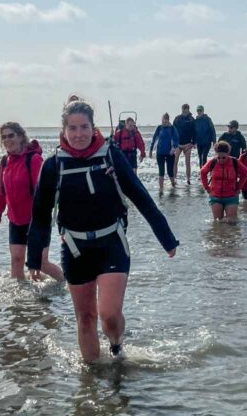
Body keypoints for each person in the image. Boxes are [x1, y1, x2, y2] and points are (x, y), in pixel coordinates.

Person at [27, 99, 179, 362]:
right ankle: (91, 379)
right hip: (75, 249)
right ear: (63, 130)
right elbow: (40, 215)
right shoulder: (54, 165)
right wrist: (33, 259)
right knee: (85, 318)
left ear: (92, 127)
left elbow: (140, 196)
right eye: (72, 128)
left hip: (112, 243)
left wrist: (166, 238)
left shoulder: (111, 155)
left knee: (109, 315)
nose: (79, 134)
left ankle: (117, 345)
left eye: (84, 127)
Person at [0, 122, 63, 281]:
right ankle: (20, 296)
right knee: (16, 261)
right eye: (4, 137)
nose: (7, 140)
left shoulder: (34, 159)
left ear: (21, 137)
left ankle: (67, 286)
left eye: (11, 135)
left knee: (40, 264)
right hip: (15, 220)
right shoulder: (4, 162)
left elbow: (46, 193)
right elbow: (2, 191)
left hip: (37, 220)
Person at [200, 140, 247, 222]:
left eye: (224, 157)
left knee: (231, 221)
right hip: (215, 197)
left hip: (231, 196)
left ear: (228, 154)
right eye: (218, 158)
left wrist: (238, 187)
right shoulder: (212, 162)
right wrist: (206, 187)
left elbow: (245, 173)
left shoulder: (234, 162)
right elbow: (202, 172)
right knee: (218, 221)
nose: (221, 160)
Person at [149, 112, 179, 193]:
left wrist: (173, 148)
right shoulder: (159, 128)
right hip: (160, 153)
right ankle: (161, 190)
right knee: (161, 171)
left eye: (166, 120)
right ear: (161, 120)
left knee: (170, 171)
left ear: (168, 120)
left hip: (170, 153)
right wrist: (151, 150)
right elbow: (154, 139)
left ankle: (173, 185)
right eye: (163, 120)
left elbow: (176, 139)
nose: (164, 122)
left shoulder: (172, 128)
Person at [172, 104, 197, 184]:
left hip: (187, 144)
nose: (184, 111)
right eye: (183, 109)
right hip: (178, 144)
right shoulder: (177, 118)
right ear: (181, 109)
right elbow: (173, 131)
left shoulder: (191, 119)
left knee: (187, 163)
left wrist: (193, 143)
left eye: (186, 109)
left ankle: (188, 179)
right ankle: (174, 179)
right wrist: (174, 143)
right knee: (175, 162)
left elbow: (195, 132)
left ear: (188, 110)